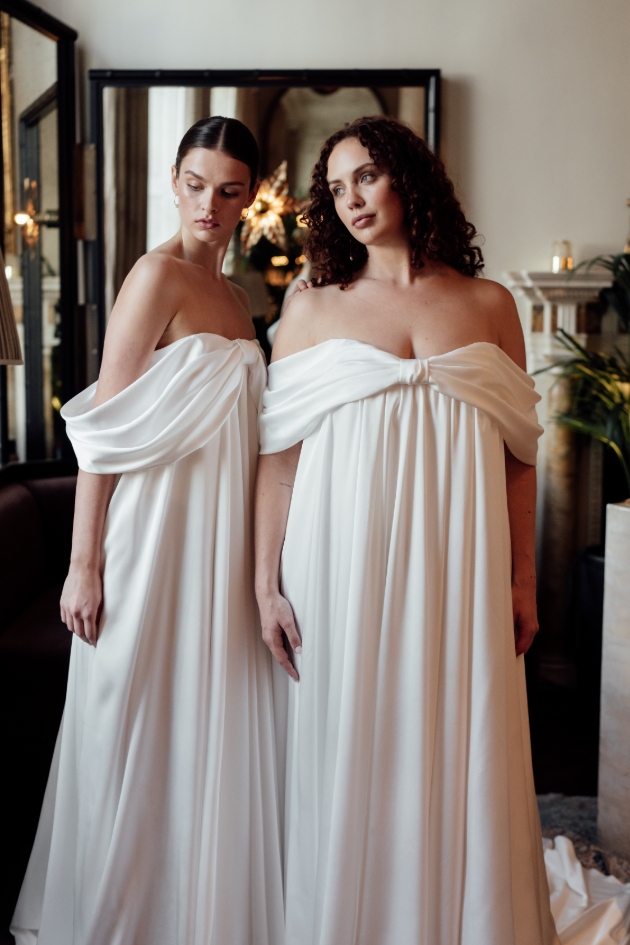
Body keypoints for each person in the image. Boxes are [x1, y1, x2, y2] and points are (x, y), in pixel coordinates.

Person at [255, 115, 559, 945]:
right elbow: (278, 461)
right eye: (337, 185)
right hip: (338, 565)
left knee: (460, 741)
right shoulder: (311, 306)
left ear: (408, 179)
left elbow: (519, 456)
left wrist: (523, 578)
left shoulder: (491, 304)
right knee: (354, 743)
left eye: (367, 176)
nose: (351, 197)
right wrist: (264, 584)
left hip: (459, 563)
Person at [12, 117, 284, 945]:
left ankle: (193, 912)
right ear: (174, 180)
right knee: (131, 717)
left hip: (219, 542)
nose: (211, 203)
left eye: (230, 190)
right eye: (197, 184)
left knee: (202, 726)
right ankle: (113, 919)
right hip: (152, 538)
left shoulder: (240, 298)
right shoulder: (152, 276)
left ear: (250, 199)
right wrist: (83, 563)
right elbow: (101, 431)